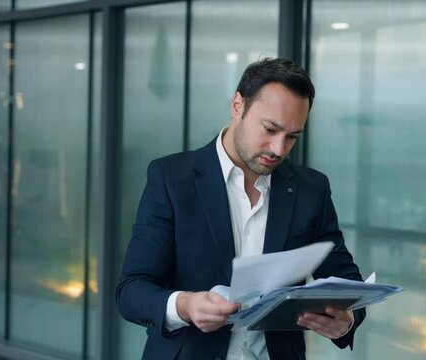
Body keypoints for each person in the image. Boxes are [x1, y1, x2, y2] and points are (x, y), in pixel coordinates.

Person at [116, 58, 365, 360]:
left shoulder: (311, 189)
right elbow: (131, 291)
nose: (278, 149)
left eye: (292, 137)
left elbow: (346, 283)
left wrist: (347, 321)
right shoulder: (172, 179)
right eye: (270, 129)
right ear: (237, 106)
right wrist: (184, 305)